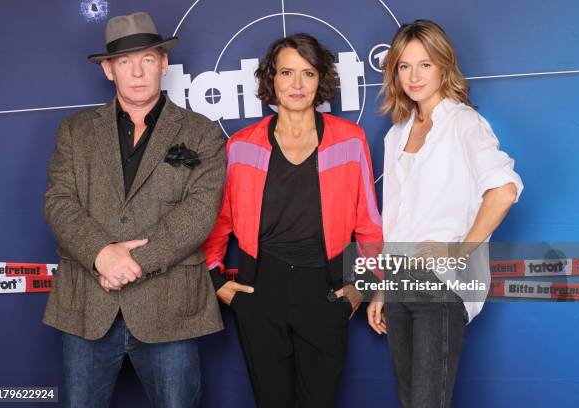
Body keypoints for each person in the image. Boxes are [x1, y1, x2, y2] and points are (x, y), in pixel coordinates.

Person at [42, 12, 225, 408]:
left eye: (146, 59)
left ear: (163, 63)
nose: (137, 72)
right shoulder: (74, 131)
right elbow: (59, 203)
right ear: (108, 69)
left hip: (169, 306)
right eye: (125, 61)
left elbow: (198, 213)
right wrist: (101, 255)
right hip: (87, 305)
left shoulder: (202, 132)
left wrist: (129, 263)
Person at [202, 33, 382, 408]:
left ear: (321, 80)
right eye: (287, 73)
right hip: (260, 292)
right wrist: (215, 281)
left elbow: (368, 222)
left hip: (326, 290)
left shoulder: (350, 139)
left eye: (308, 73)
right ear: (272, 79)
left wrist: (360, 286)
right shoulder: (241, 145)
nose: (297, 84)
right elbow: (219, 223)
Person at [366, 20, 524, 408]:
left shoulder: (464, 123)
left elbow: (504, 190)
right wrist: (383, 287)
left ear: (443, 66)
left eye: (425, 64)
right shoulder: (397, 132)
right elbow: (398, 219)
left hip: (442, 284)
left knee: (427, 403)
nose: (415, 76)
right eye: (404, 66)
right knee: (410, 400)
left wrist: (458, 252)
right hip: (401, 279)